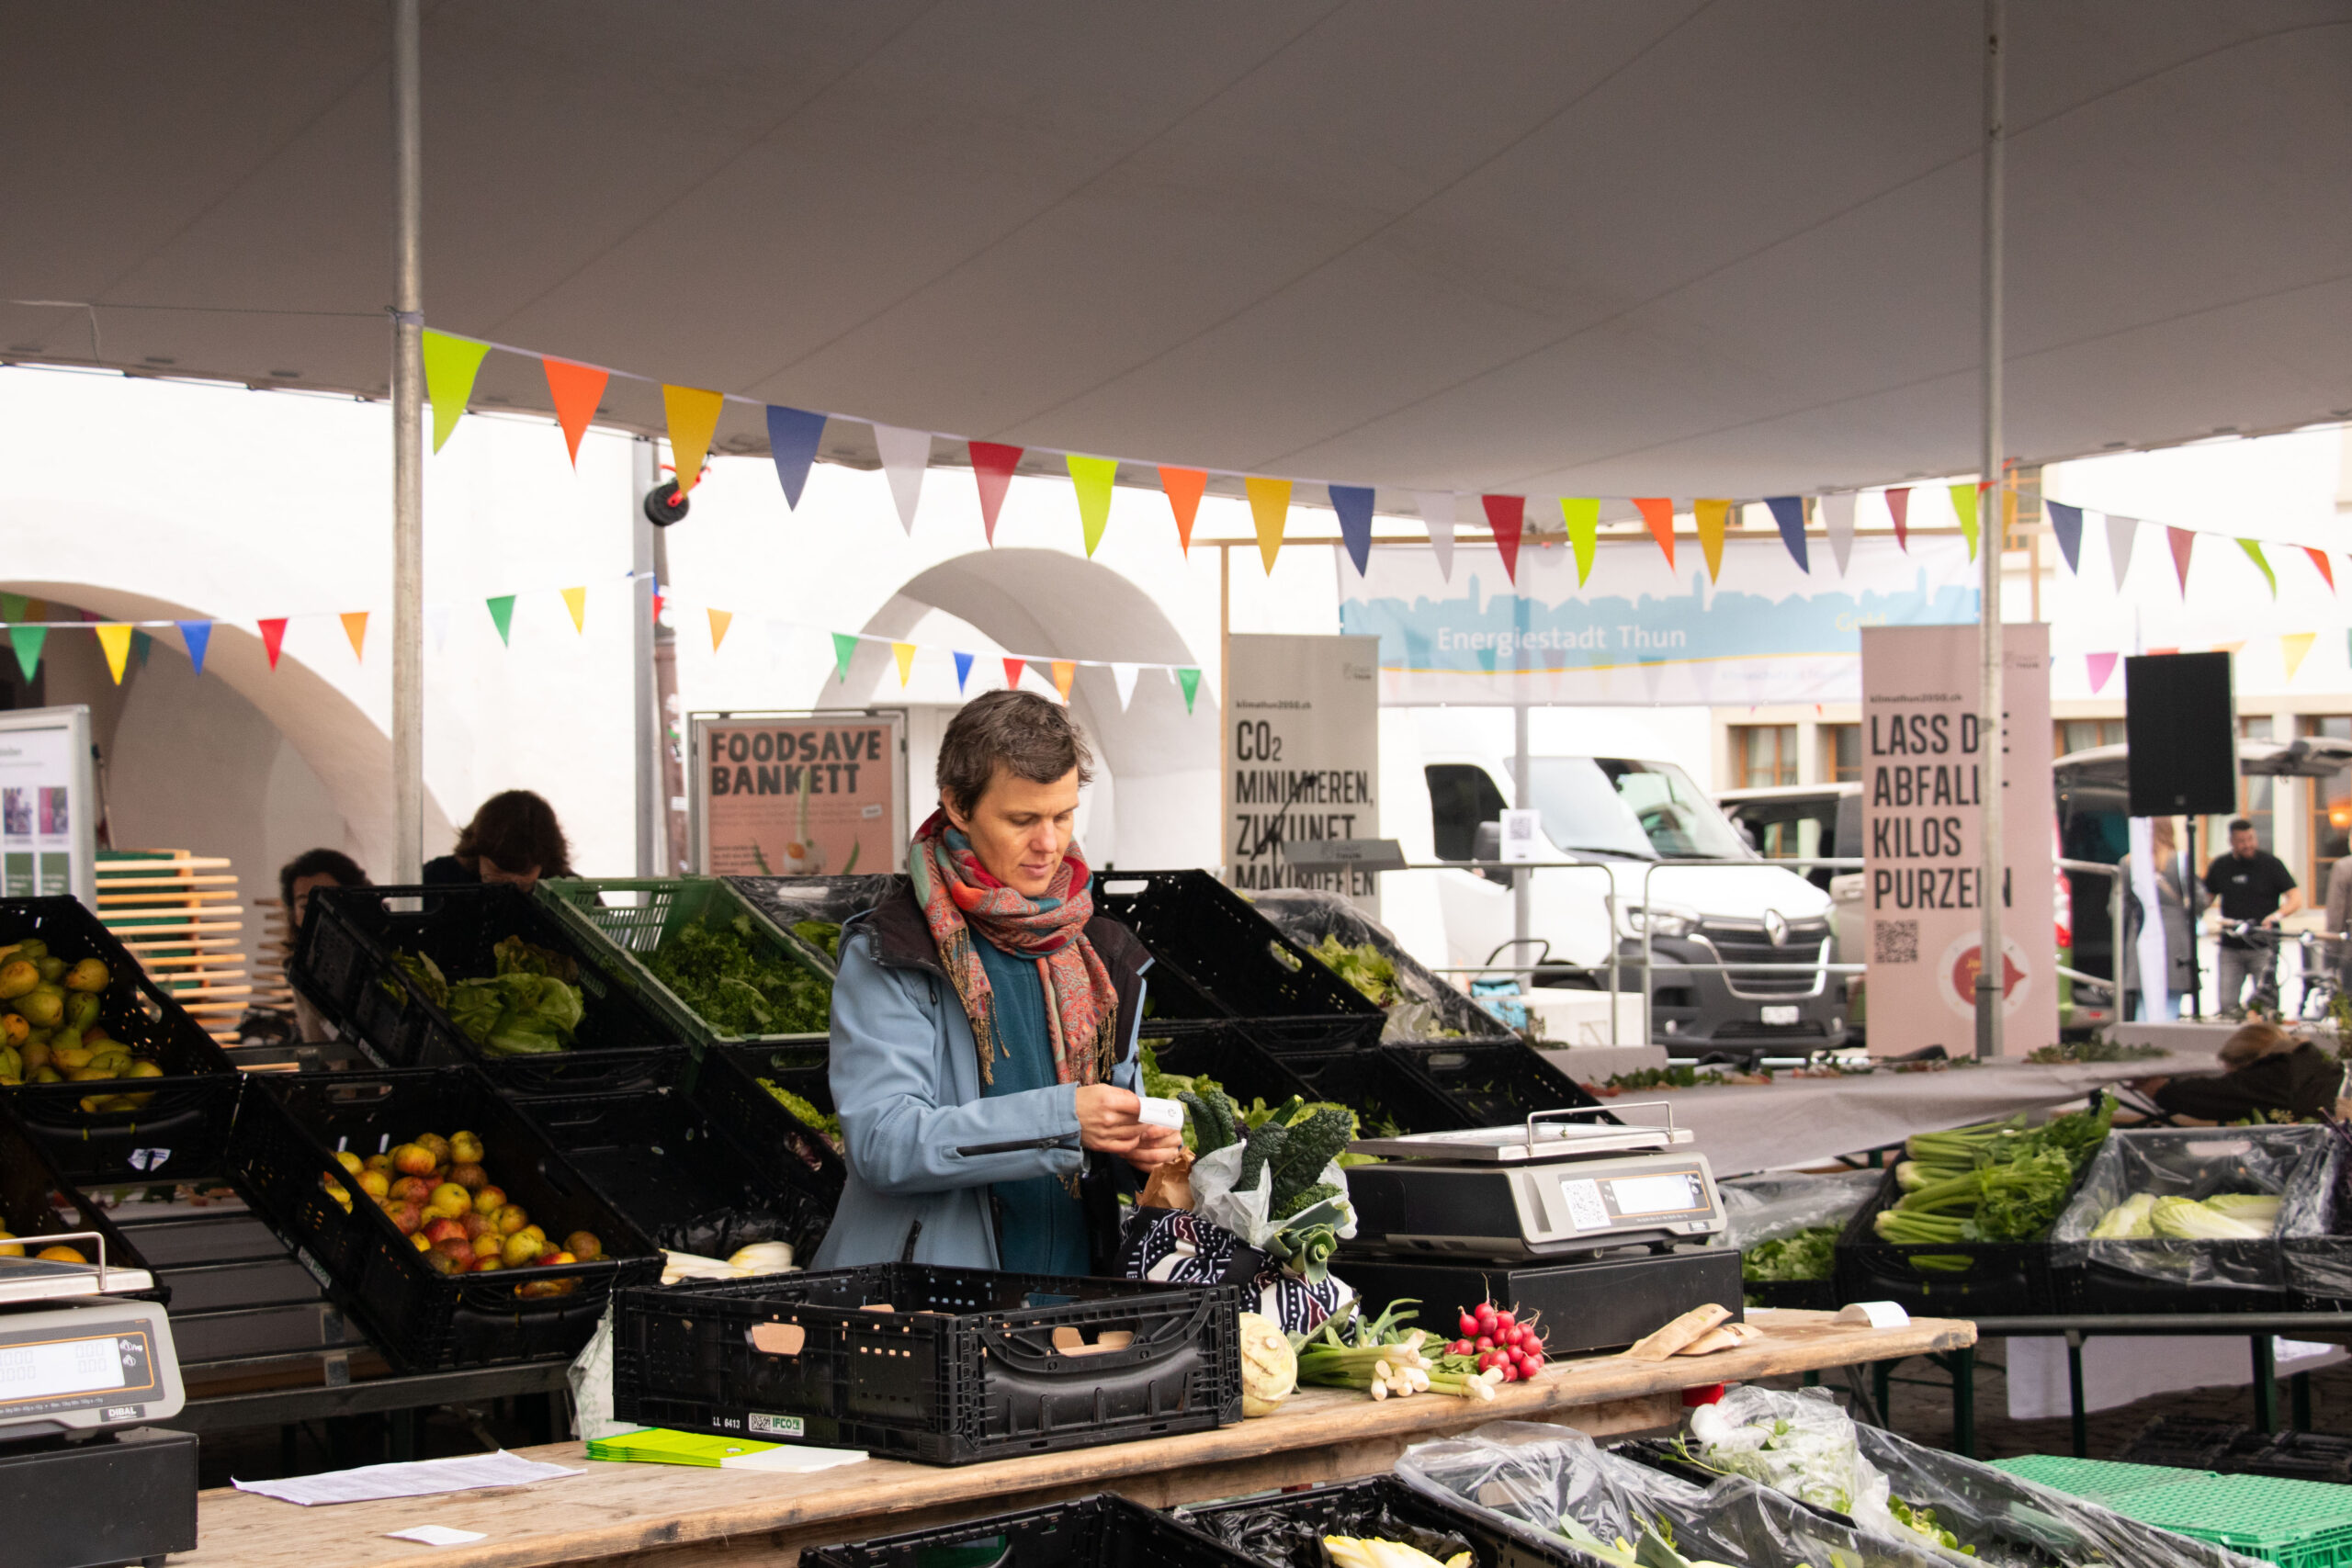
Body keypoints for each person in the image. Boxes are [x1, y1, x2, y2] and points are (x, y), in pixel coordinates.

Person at [814, 691, 1181, 1272]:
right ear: (958, 806)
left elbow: (1106, 1123)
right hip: (940, 1307)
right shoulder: (893, 950)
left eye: (1062, 816)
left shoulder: (1099, 950)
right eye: (1022, 820)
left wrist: (1139, 1146)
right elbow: (884, 1144)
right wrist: (1063, 1118)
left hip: (1080, 1303)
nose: (1049, 844)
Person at [2134, 1021, 2343, 1123]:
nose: (2231, 1079)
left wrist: (2159, 1090)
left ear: (2248, 1065)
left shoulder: (2276, 1075)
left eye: (2233, 1073)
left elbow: (2216, 1096)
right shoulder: (2305, 1061)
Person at [2204, 818, 2301, 1015]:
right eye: (2241, 841)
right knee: (2227, 1004)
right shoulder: (2221, 866)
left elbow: (2296, 898)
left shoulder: (2271, 864)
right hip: (2231, 946)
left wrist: (2277, 915)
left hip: (2263, 946)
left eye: (2250, 839)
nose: (2247, 845)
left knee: (2266, 1006)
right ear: (2231, 842)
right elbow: (2205, 899)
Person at [277, 848, 368, 1042]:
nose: (316, 912)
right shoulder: (300, 968)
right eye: (304, 905)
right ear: (293, 914)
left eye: (328, 901)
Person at [2118, 818, 2202, 1021]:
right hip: (2176, 939)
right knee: (2170, 1003)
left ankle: (2143, 1048)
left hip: (2140, 935)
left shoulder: (2128, 863)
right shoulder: (2180, 861)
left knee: (2143, 1004)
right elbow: (2200, 901)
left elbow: (2118, 907)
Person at [424, 790, 573, 892]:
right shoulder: (439, 879)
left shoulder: (573, 894)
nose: (511, 882)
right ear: (477, 853)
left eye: (525, 872)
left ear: (545, 863)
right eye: (498, 870)